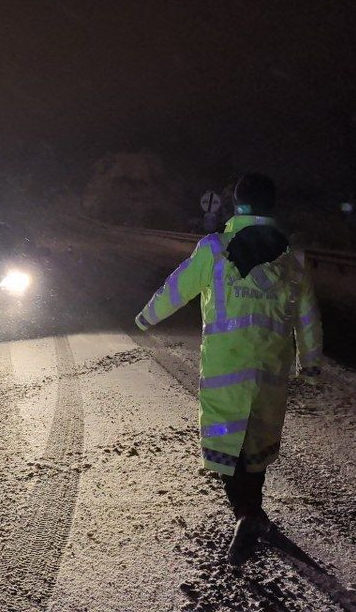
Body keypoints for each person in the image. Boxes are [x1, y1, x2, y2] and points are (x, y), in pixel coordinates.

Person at [135, 173, 322, 564]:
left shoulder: (215, 248)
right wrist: (311, 363)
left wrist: (144, 320)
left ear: (236, 205)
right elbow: (308, 317)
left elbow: (177, 288)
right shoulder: (293, 260)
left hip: (224, 374)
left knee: (226, 447)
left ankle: (246, 516)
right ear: (272, 207)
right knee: (256, 447)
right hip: (270, 374)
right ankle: (254, 515)